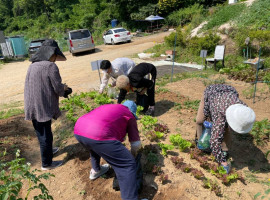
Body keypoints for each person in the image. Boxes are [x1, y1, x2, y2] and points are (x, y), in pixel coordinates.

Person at [74, 100, 141, 200]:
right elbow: (136, 145)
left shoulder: (110, 107)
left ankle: (96, 170)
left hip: (79, 130)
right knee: (127, 164)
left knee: (95, 146)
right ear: (132, 112)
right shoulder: (129, 115)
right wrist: (132, 155)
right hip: (98, 134)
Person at [24, 39, 72, 170]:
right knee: (45, 135)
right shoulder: (50, 66)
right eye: (56, 56)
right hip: (42, 106)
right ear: (52, 53)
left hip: (32, 105)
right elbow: (57, 87)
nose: (56, 59)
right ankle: (47, 163)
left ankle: (49, 151)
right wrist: (65, 89)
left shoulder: (32, 65)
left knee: (41, 132)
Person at [195, 84, 256, 173]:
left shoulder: (244, 110)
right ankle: (202, 144)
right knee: (200, 120)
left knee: (226, 128)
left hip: (229, 91)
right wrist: (223, 163)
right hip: (211, 92)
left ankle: (224, 150)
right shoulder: (220, 114)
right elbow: (214, 141)